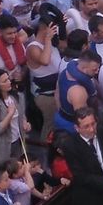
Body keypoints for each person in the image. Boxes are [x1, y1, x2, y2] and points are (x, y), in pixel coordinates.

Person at [26, 14, 62, 143]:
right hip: (44, 94)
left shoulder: (52, 44)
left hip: (56, 90)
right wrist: (47, 39)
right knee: (50, 124)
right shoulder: (33, 47)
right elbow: (44, 60)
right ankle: (45, 149)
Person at [0, 69, 29, 166]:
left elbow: (21, 115)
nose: (9, 82)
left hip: (17, 143)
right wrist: (10, 114)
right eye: (4, 81)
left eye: (8, 79)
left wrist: (25, 122)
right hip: (0, 148)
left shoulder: (16, 96)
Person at [54, 51, 102, 134]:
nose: (97, 71)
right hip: (71, 126)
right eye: (94, 69)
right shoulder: (78, 92)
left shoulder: (64, 72)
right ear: (84, 69)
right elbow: (83, 120)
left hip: (60, 117)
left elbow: (57, 95)